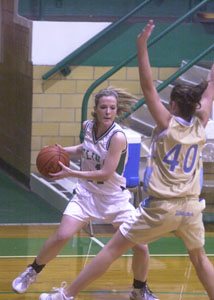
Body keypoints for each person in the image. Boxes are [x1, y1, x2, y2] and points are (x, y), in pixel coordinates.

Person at [37, 20, 214, 300]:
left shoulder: (167, 124)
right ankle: (139, 291)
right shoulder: (201, 123)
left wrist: (141, 46)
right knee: (201, 259)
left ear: (174, 105)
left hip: (161, 208)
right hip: (191, 209)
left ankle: (66, 295)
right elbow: (210, 88)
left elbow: (147, 87)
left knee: (111, 249)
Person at [12, 86, 158, 300]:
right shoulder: (88, 126)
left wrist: (72, 172)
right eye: (104, 107)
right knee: (62, 235)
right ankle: (32, 271)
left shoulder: (117, 137)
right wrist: (62, 151)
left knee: (142, 248)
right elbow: (84, 148)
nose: (108, 111)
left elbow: (107, 173)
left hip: (114, 199)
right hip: (86, 195)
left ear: (117, 111)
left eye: (112, 108)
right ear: (96, 109)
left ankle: (139, 290)